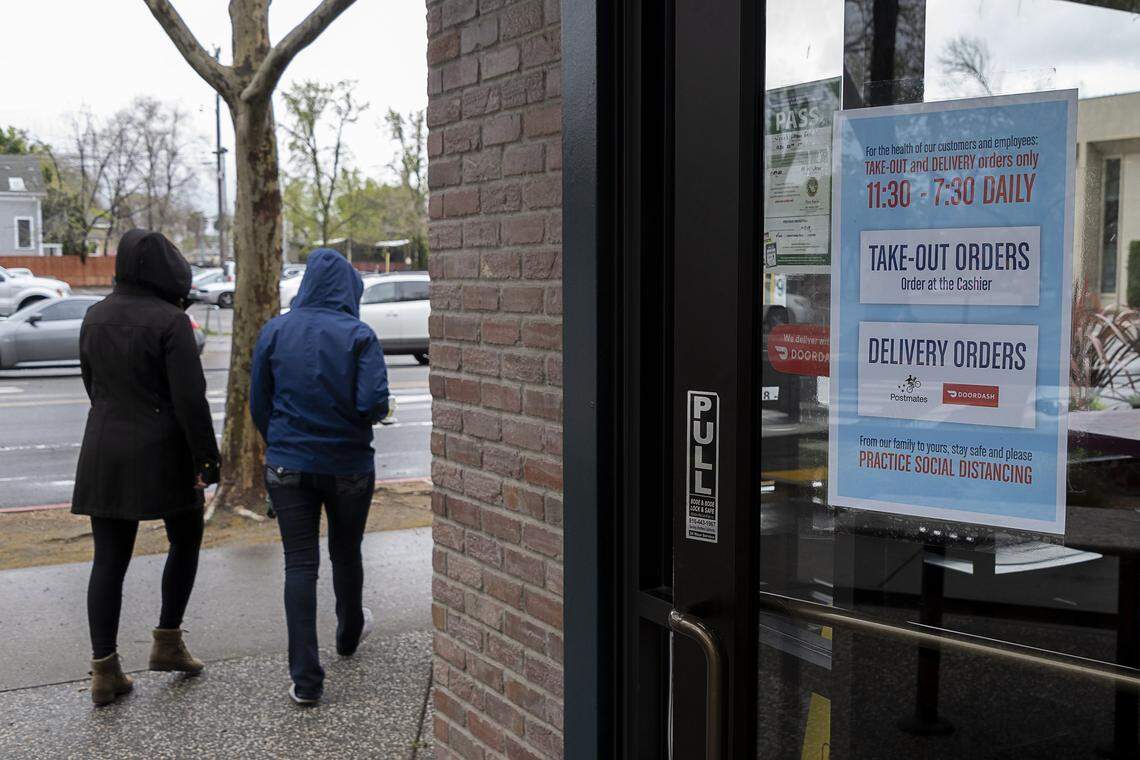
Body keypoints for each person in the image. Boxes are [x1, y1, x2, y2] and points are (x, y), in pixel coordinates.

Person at [72, 229, 220, 707]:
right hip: (164, 453)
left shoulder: (94, 316)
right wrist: (207, 460)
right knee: (186, 538)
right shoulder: (171, 321)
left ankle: (104, 669)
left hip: (104, 450)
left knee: (108, 561)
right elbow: (190, 401)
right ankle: (167, 641)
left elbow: (92, 385)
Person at [250, 248, 390, 705]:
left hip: (289, 466)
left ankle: (306, 680)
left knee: (299, 565)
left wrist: (283, 442)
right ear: (350, 288)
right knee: (346, 553)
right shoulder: (359, 334)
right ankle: (349, 634)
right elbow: (373, 403)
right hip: (349, 465)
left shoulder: (275, 330)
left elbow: (259, 402)